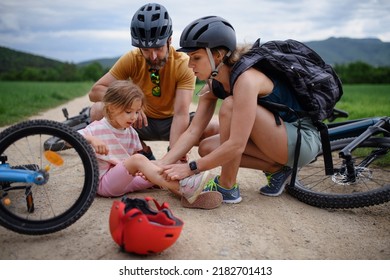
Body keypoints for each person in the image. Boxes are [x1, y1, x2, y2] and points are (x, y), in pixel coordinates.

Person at [158, 16, 322, 203]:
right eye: (189, 58)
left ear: (218, 55)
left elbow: (237, 145)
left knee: (230, 105)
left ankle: (227, 187)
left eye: (196, 57)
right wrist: (163, 163)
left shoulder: (246, 79)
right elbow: (193, 131)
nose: (189, 65)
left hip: (302, 139)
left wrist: (191, 168)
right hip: (278, 137)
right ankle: (278, 170)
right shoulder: (214, 84)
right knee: (207, 148)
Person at [87, 3, 218, 160]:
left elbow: (181, 113)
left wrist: (174, 155)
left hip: (172, 122)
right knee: (97, 110)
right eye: (146, 50)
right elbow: (95, 91)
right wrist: (128, 103)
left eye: (158, 48)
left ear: (169, 41)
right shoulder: (132, 58)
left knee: (214, 128)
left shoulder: (183, 62)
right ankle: (142, 152)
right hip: (139, 121)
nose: (153, 56)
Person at [79, 80, 220, 208]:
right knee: (140, 160)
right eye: (128, 112)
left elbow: (133, 164)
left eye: (137, 112)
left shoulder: (130, 132)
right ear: (110, 108)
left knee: (160, 166)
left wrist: (150, 170)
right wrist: (91, 140)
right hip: (104, 184)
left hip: (126, 181)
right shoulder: (96, 129)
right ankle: (185, 186)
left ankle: (188, 196)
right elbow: (71, 138)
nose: (134, 117)